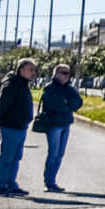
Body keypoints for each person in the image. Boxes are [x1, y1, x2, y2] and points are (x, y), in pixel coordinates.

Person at [0, 57, 37, 194]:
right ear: (21, 70)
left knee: (16, 157)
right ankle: (1, 185)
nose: (33, 72)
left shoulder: (24, 84)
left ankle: (11, 183)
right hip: (11, 126)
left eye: (34, 70)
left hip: (21, 125)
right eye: (30, 69)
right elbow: (2, 102)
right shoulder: (12, 83)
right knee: (7, 157)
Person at [36, 62, 84, 193]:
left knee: (60, 154)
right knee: (53, 154)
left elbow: (78, 102)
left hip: (66, 123)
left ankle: (53, 180)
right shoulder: (49, 88)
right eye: (64, 73)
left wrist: (67, 104)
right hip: (53, 125)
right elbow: (54, 105)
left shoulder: (70, 88)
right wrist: (67, 105)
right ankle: (49, 182)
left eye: (68, 73)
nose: (67, 76)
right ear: (56, 74)